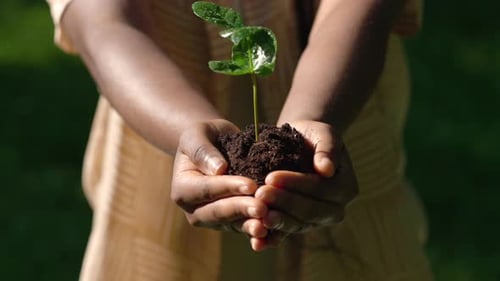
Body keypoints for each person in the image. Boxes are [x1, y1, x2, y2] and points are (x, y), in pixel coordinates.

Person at [46, 0, 433, 280]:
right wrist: (190, 135)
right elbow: (104, 24)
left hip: (339, 104)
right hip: (156, 127)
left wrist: (308, 123)